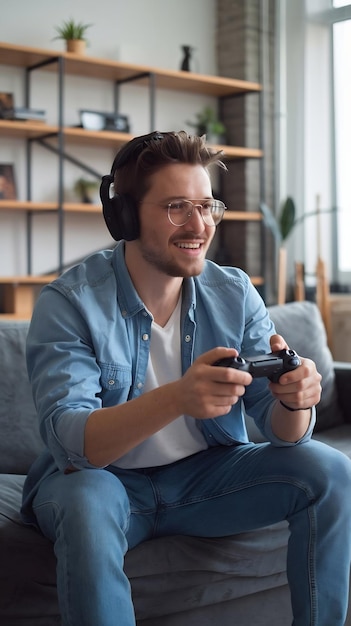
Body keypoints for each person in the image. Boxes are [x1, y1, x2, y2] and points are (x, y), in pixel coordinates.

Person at [21, 130, 351, 626]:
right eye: (177, 206)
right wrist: (177, 397)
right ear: (125, 215)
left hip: (207, 478)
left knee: (331, 470)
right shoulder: (69, 303)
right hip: (105, 482)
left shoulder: (234, 292)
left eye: (207, 206)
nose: (199, 225)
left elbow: (285, 434)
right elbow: (73, 445)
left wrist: (295, 400)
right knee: (87, 500)